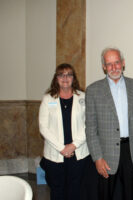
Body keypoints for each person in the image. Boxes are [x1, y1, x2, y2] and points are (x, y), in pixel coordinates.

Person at [85, 47, 133, 200]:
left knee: (131, 196)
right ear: (104, 67)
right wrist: (97, 158)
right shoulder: (93, 90)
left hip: (132, 152)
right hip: (106, 155)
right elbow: (90, 128)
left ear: (123, 63)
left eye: (116, 62)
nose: (113, 67)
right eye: (109, 64)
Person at [39, 63, 89, 200]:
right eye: (61, 74)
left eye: (69, 74)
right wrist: (62, 148)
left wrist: (73, 145)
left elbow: (89, 124)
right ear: (56, 78)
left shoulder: (83, 97)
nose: (65, 78)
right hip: (55, 154)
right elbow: (43, 127)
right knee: (57, 190)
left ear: (74, 78)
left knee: (76, 190)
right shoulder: (48, 99)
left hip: (79, 153)